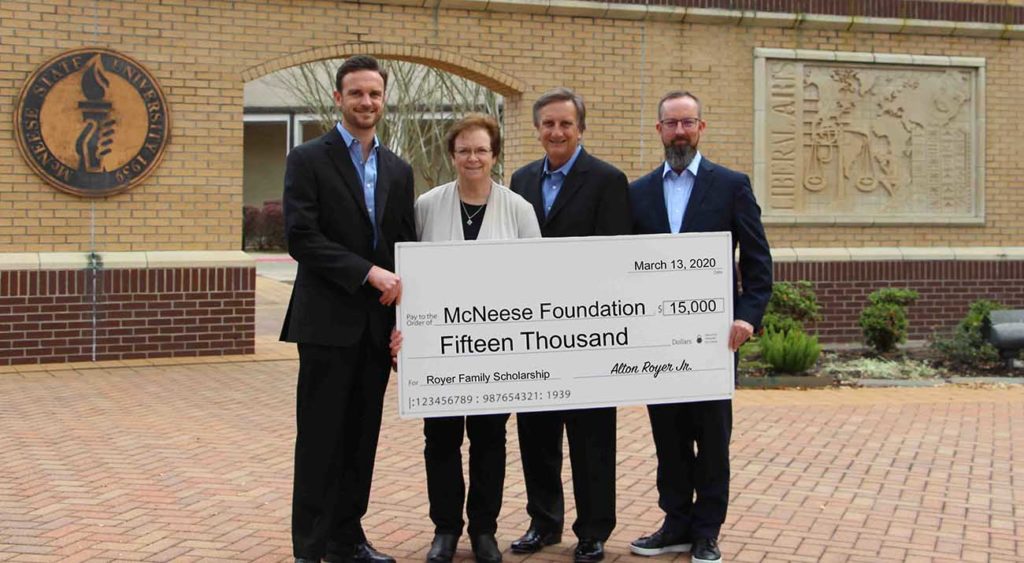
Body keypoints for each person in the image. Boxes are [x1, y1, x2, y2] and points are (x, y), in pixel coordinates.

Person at [280, 55, 415, 563]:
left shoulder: (399, 170)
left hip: (375, 328)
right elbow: (301, 237)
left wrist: (406, 323)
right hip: (326, 323)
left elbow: (404, 246)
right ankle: (310, 547)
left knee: (361, 438)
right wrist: (366, 272)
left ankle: (347, 538)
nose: (366, 102)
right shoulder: (307, 158)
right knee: (320, 438)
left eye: (375, 94)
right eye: (356, 93)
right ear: (338, 98)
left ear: (384, 99)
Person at [627, 91, 772, 563]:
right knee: (668, 438)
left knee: (711, 440)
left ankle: (707, 531)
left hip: (713, 341)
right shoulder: (638, 192)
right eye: (671, 124)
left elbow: (757, 261)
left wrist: (747, 317)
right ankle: (676, 524)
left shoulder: (731, 185)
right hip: (657, 342)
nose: (680, 132)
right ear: (659, 130)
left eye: (688, 123)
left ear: (701, 128)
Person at [404, 114, 541, 563]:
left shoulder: (518, 209)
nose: (473, 158)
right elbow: (411, 277)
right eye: (464, 150)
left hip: (495, 352)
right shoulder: (426, 206)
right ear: (452, 155)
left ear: (495, 155)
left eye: (481, 149)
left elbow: (537, 281)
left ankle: (484, 530)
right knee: (439, 440)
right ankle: (445, 529)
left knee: (489, 440)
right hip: (439, 353)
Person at [508, 87, 631, 563]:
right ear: (537, 129)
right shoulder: (519, 181)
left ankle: (594, 529)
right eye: (548, 124)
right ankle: (544, 522)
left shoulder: (607, 180)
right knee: (536, 435)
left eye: (565, 124)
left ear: (581, 127)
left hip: (588, 333)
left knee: (591, 438)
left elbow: (614, 257)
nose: (556, 132)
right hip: (533, 334)